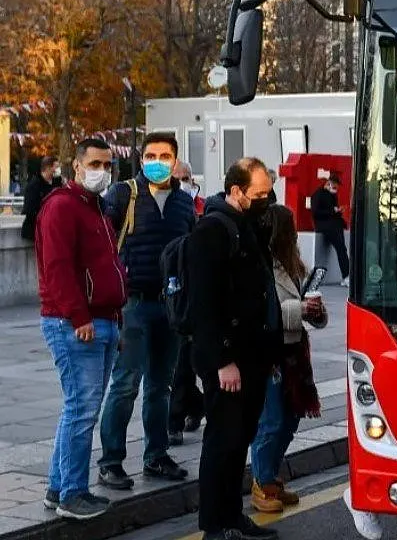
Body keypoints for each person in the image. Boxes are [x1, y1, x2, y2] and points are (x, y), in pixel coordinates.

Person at [187, 157, 282, 540]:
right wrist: (223, 360)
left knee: (240, 439)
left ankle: (232, 516)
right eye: (260, 194)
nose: (266, 201)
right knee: (222, 441)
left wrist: (270, 352)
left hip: (253, 355)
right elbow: (204, 305)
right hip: (227, 360)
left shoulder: (249, 225)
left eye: (269, 193)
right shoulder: (211, 230)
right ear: (236, 191)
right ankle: (214, 524)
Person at [35, 138, 126, 520]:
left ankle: (59, 488)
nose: (101, 171)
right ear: (76, 166)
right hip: (75, 322)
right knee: (82, 410)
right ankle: (72, 494)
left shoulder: (96, 208)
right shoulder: (62, 206)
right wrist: (79, 318)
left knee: (80, 409)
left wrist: (114, 320)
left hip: (102, 319)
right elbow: (57, 269)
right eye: (94, 164)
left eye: (107, 165)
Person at [97, 132, 195, 489]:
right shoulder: (123, 194)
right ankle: (110, 461)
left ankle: (156, 456)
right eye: (150, 156)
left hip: (170, 305)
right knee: (125, 384)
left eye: (164, 156)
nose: (157, 162)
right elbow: (101, 242)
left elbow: (189, 252)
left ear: (175, 160)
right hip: (133, 304)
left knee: (161, 386)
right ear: (141, 160)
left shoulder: (184, 203)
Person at [250, 205, 328, 513]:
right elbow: (261, 312)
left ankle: (270, 475)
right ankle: (261, 482)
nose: (295, 234)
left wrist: (316, 312)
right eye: (291, 228)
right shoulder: (260, 265)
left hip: (295, 351)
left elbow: (304, 306)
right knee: (271, 420)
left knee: (292, 417)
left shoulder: (294, 264)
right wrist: (300, 310)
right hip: (271, 351)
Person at [168, 160, 205, 441]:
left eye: (186, 177)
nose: (183, 182)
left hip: (191, 295)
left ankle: (174, 422)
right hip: (169, 291)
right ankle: (195, 405)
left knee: (183, 364)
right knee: (175, 366)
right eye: (177, 177)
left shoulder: (202, 208)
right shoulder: (165, 208)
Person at [309, 173, 349, 287]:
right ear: (329, 183)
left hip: (334, 226)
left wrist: (338, 211)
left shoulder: (332, 195)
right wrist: (333, 211)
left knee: (342, 250)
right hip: (327, 226)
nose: (336, 188)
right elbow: (315, 212)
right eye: (335, 185)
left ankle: (346, 276)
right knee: (341, 250)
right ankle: (346, 276)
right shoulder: (318, 194)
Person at [21, 155, 62, 241]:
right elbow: (29, 210)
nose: (58, 170)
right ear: (48, 168)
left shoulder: (58, 183)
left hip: (53, 229)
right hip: (36, 231)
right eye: (56, 167)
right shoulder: (34, 185)